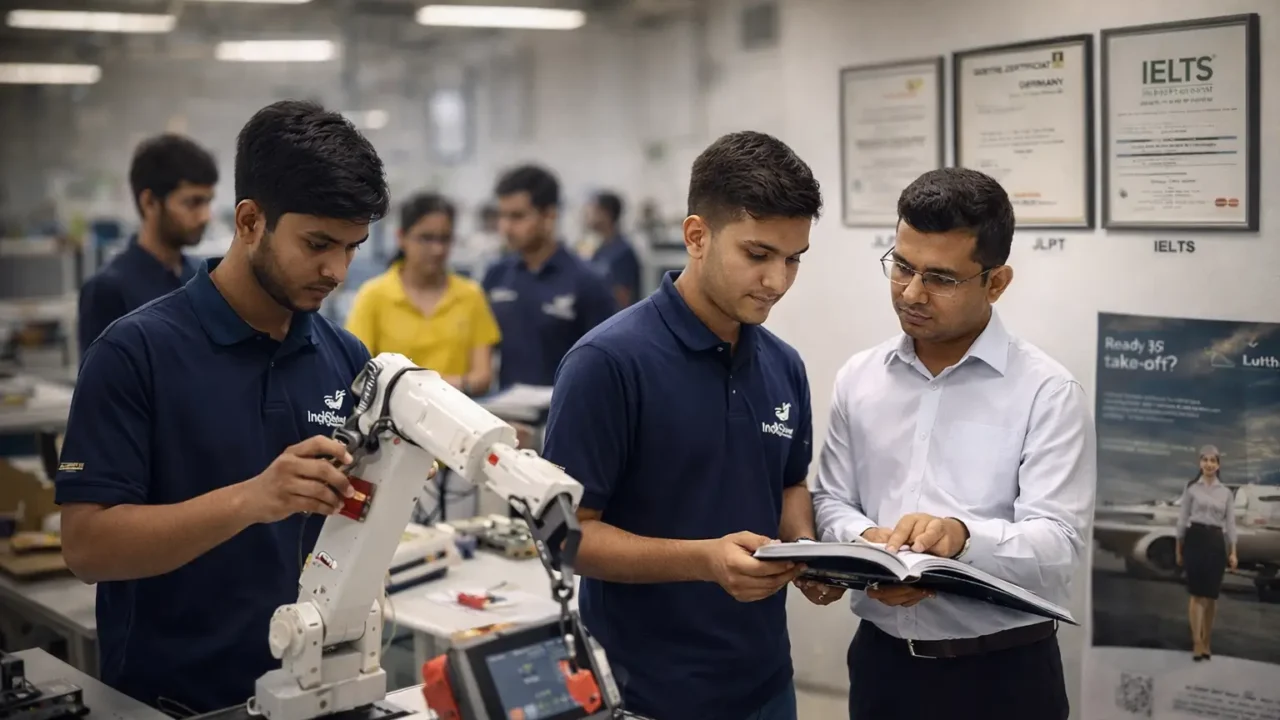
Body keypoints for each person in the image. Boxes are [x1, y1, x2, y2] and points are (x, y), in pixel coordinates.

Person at [53, 100, 389, 716]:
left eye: (352, 247)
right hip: (176, 699)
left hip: (312, 692)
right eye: (318, 244)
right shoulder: (135, 353)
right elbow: (86, 548)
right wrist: (252, 499)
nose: (336, 270)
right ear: (251, 220)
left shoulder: (343, 356)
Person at [540, 131, 831, 720]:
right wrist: (702, 559)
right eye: (757, 254)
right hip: (646, 693)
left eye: (793, 258)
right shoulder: (607, 364)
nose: (777, 281)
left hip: (766, 683)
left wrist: (808, 552)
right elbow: (565, 537)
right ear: (697, 236)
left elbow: (789, 484)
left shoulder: (783, 364)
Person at [811, 167, 1096, 720]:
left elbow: (1060, 546)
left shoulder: (1047, 391)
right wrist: (872, 546)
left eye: (941, 278)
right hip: (882, 668)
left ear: (996, 282)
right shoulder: (860, 377)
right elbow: (829, 501)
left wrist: (960, 539)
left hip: (1003, 677)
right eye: (901, 266)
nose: (911, 293)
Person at [345, 192, 501, 396]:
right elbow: (360, 372)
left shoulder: (471, 296)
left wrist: (412, 385)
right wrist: (448, 384)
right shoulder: (373, 295)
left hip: (459, 418)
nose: (437, 249)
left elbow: (482, 377)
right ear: (401, 238)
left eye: (444, 239)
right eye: (426, 238)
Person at [78, 133, 217, 352]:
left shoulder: (201, 277)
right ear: (150, 202)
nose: (205, 216)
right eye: (193, 203)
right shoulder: (109, 290)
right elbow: (100, 382)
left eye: (208, 202)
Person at [482, 164, 616, 388]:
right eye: (502, 216)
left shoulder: (588, 282)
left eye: (517, 216)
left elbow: (606, 363)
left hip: (565, 415)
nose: (506, 227)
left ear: (549, 215)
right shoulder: (495, 276)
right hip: (506, 414)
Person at [1176, 444, 1238, 661]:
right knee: (1196, 594)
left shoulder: (1226, 493)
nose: (1209, 464)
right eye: (1205, 460)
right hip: (1195, 539)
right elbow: (1182, 519)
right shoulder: (1192, 488)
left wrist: (1233, 551)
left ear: (1218, 465)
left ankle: (1207, 640)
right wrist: (1179, 548)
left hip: (1215, 542)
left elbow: (1230, 524)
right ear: (1200, 463)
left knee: (1210, 596)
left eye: (1213, 461)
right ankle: (1197, 642)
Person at [584, 191, 642, 307]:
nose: (587, 214)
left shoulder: (622, 252)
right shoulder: (600, 249)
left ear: (606, 214)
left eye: (593, 210)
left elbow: (623, 299)